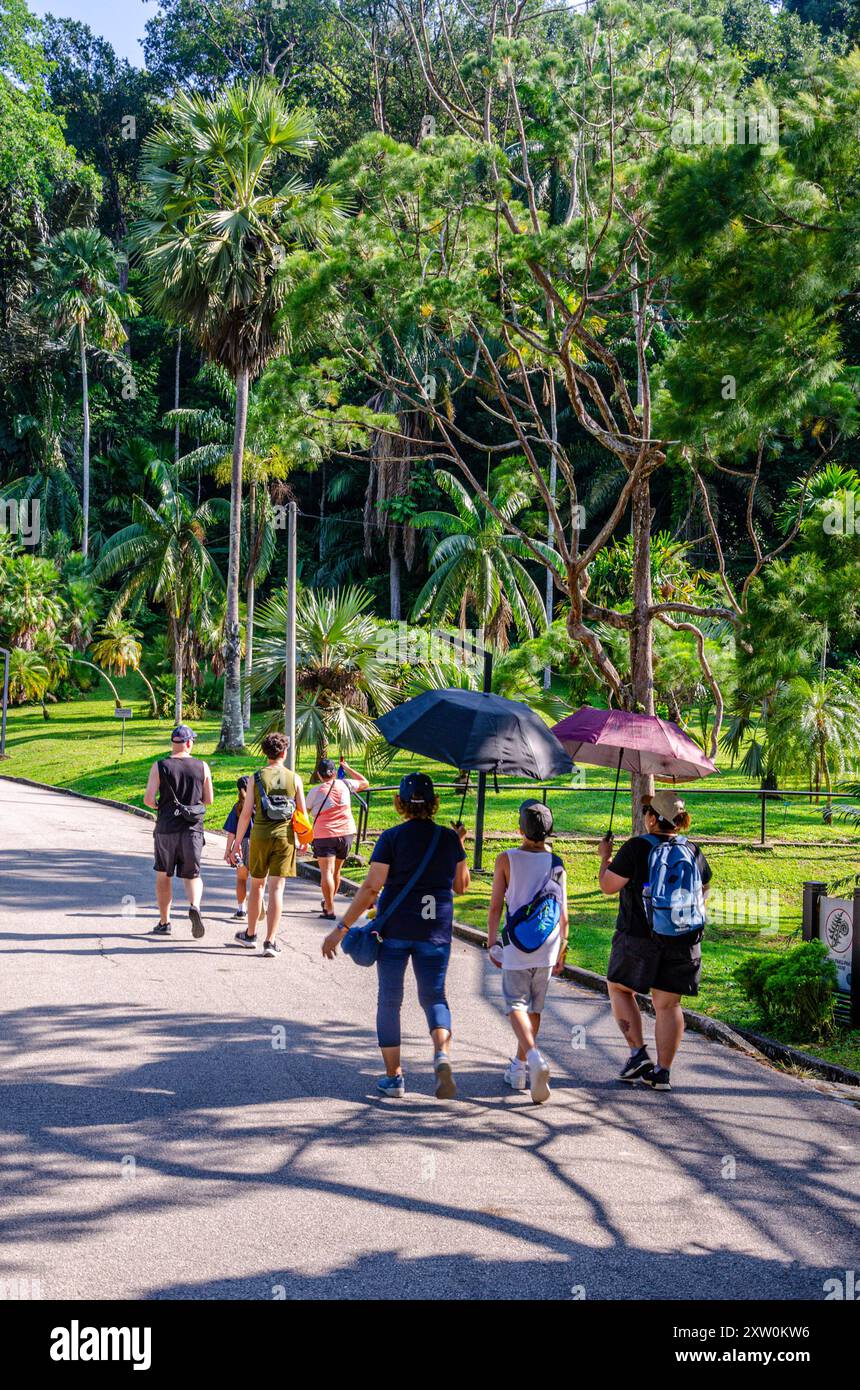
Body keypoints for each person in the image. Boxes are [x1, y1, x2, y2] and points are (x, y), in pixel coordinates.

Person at [321, 772, 470, 1100]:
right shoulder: (448, 839)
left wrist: (340, 928)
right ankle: (442, 1055)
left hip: (395, 931)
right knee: (434, 997)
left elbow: (372, 887)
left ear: (399, 802)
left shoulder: (391, 838)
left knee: (390, 999)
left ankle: (394, 1077)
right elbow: (461, 886)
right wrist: (458, 844)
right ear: (435, 803)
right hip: (435, 932)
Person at [598, 790, 711, 1091]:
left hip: (638, 939)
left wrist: (604, 859)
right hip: (683, 939)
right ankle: (662, 1072)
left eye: (647, 812)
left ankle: (637, 1053)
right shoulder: (693, 850)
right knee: (668, 1004)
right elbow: (705, 888)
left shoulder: (637, 848)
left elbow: (608, 886)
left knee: (619, 988)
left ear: (651, 818)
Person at [486, 800, 568, 1103]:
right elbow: (564, 914)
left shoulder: (506, 859)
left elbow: (496, 907)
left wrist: (492, 942)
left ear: (520, 829)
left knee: (515, 1005)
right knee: (535, 1008)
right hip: (548, 944)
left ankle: (533, 1058)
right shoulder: (557, 862)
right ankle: (519, 1069)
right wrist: (562, 949)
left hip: (518, 944)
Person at [231, 732, 307, 959]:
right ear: (284, 753)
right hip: (285, 837)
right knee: (277, 888)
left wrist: (236, 843)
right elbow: (302, 813)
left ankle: (251, 934)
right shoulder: (294, 778)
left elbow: (246, 814)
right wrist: (303, 839)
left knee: (257, 886)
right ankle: (270, 941)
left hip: (260, 836)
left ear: (265, 753)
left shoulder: (256, 777)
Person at [143, 724, 214, 938]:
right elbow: (208, 800)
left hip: (166, 828)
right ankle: (195, 906)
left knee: (164, 875)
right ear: (189, 743)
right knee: (192, 875)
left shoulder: (160, 766)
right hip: (192, 830)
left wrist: (160, 806)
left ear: (173, 743)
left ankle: (165, 922)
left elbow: (148, 799)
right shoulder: (202, 766)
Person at [306, 756, 369, 920]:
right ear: (334, 772)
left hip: (324, 835)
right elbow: (364, 782)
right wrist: (347, 768)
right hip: (346, 834)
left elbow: (305, 810)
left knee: (327, 872)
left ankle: (330, 909)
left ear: (319, 775)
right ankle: (328, 901)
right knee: (337, 872)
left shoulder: (315, 791)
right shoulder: (345, 784)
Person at [223, 776, 258, 922]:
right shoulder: (260, 805)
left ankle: (241, 909)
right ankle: (257, 906)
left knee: (241, 879)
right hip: (258, 844)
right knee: (258, 880)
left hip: (241, 845)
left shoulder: (237, 807)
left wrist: (228, 851)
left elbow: (232, 832)